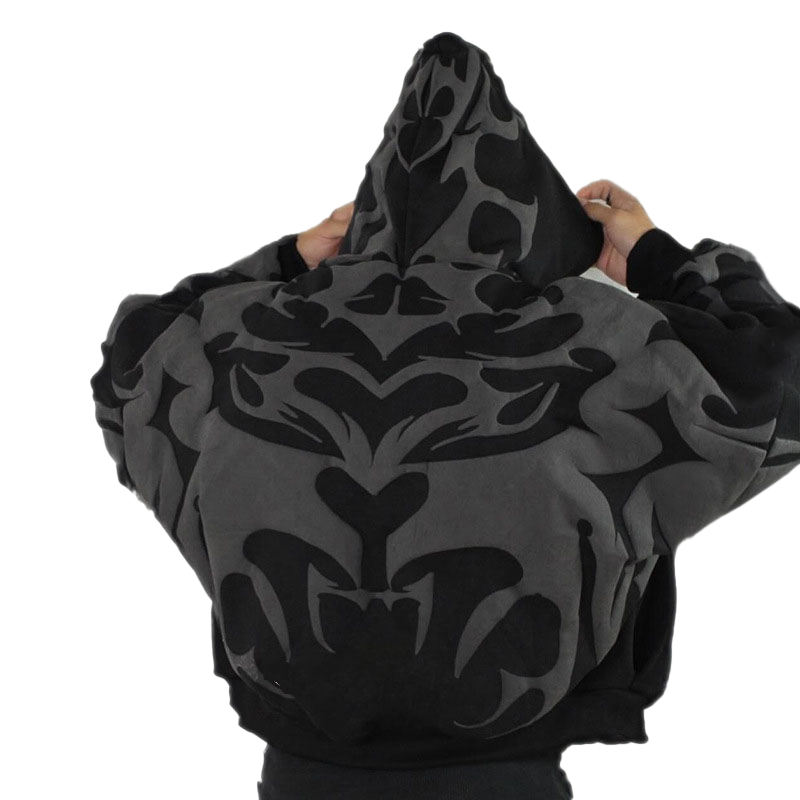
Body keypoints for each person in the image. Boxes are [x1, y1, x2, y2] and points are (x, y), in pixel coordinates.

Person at [90, 32, 800, 800]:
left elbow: (133, 357)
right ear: (529, 207)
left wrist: (290, 259)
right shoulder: (593, 344)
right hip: (505, 778)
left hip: (300, 779)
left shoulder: (244, 344)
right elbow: (780, 384)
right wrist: (658, 258)